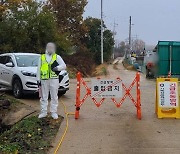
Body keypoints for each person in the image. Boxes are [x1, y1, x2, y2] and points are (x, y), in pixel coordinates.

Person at [37, 42, 66, 119]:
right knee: (43, 97)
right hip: (44, 79)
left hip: (54, 79)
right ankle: (43, 112)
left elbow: (64, 66)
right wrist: (38, 79)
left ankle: (54, 112)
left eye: (51, 47)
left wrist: (57, 68)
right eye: (48, 47)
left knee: (54, 96)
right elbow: (38, 69)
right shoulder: (42, 57)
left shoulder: (57, 57)